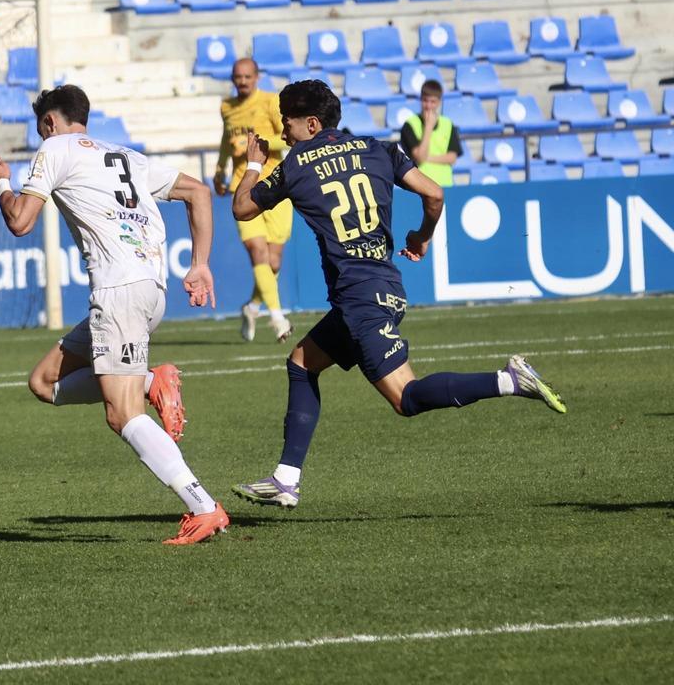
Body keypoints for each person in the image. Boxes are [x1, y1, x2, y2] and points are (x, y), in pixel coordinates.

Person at [229, 79, 567, 509]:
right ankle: (285, 479)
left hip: (358, 297)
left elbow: (242, 208)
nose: (283, 132)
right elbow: (434, 193)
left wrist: (254, 164)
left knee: (406, 398)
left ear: (311, 124)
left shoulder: (296, 164)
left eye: (287, 122)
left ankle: (509, 380)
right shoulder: (378, 149)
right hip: (385, 285)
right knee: (301, 362)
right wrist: (422, 236)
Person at [0, 84, 230, 545]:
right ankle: (152, 380)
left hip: (119, 293)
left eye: (41, 129)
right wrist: (200, 264)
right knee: (44, 383)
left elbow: (20, 221)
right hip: (150, 290)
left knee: (123, 415)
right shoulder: (125, 156)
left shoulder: (54, 148)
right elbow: (199, 192)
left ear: (50, 123)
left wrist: (1, 183)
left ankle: (203, 507)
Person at [215, 58, 294, 343]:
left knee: (273, 263)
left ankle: (252, 307)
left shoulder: (271, 102)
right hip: (244, 188)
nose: (243, 81)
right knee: (257, 252)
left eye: (247, 76)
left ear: (257, 77)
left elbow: (288, 139)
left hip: (276, 187)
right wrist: (220, 168)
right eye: (238, 77)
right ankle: (278, 318)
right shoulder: (226, 107)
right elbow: (227, 139)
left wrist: (257, 144)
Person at [399, 78, 462, 188]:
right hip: (420, 187)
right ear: (420, 99)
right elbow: (419, 157)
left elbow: (452, 158)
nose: (428, 106)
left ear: (439, 102)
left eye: (433, 102)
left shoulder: (447, 124)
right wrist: (428, 127)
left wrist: (428, 158)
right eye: (425, 101)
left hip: (445, 185)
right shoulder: (410, 125)